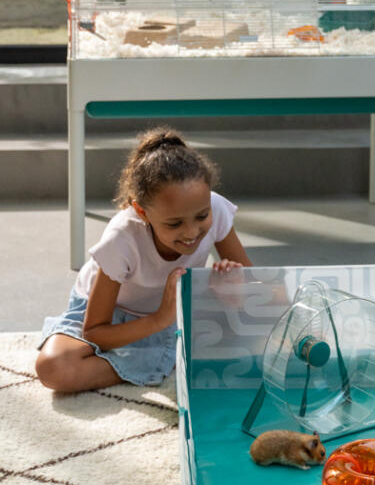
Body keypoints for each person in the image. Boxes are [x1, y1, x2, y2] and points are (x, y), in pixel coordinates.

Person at [36, 127, 252, 393]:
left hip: (175, 312)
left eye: (201, 216)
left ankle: (155, 353)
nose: (192, 232)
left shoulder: (216, 209)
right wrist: (159, 320)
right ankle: (159, 358)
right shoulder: (121, 238)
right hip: (111, 316)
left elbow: (257, 285)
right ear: (141, 211)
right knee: (54, 368)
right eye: (174, 223)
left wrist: (233, 289)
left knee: (255, 345)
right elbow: (94, 331)